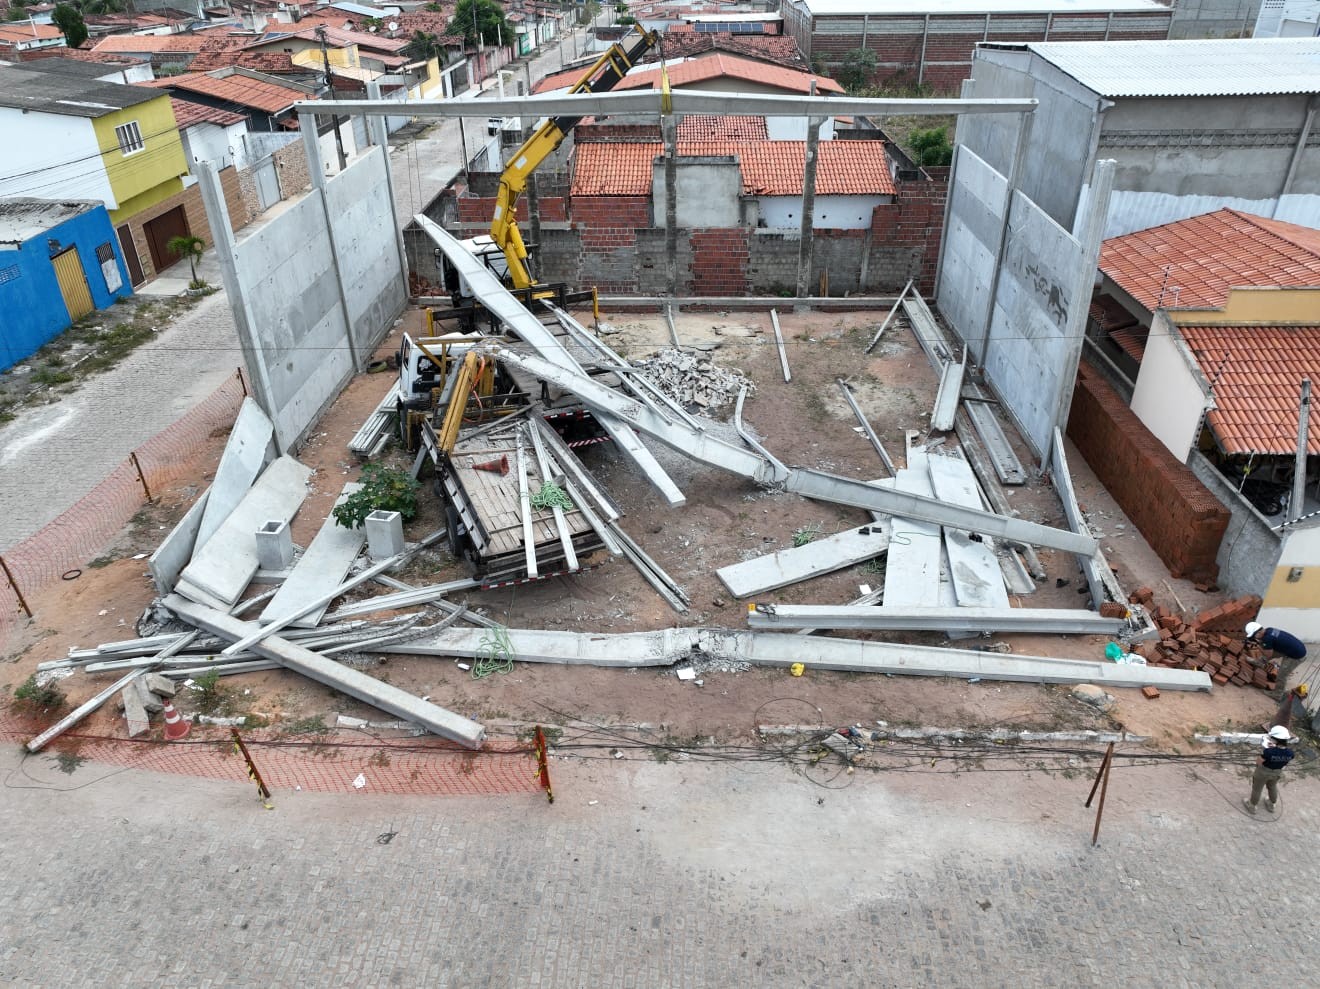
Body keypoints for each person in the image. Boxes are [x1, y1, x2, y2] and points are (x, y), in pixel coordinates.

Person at [1243, 725, 1295, 814]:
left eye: (1272, 738)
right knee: (1272, 787)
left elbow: (1259, 761)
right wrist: (1274, 748)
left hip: (1263, 772)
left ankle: (1252, 806)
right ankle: (1272, 804)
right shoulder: (1290, 753)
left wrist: (1267, 750)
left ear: (1276, 740)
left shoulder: (1268, 752)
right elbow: (1282, 758)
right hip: (1277, 772)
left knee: (1257, 789)